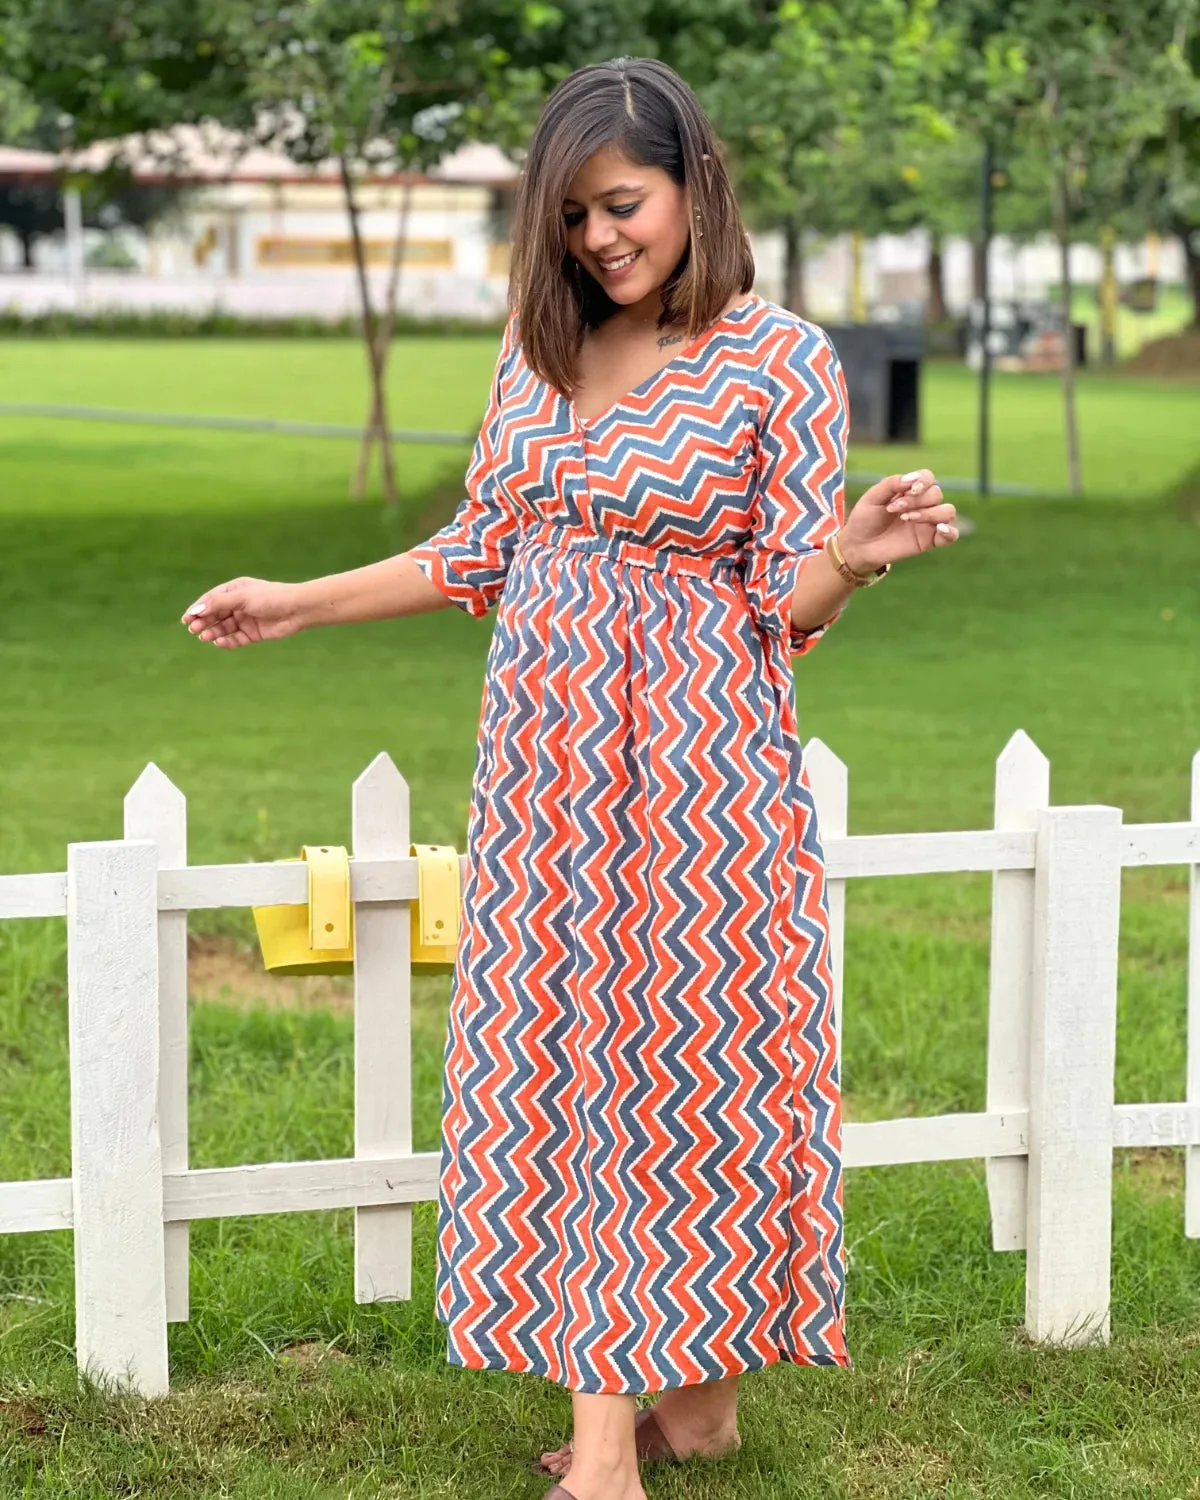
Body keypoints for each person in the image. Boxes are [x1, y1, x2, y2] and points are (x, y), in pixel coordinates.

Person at [182, 55, 957, 1500]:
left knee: (680, 1075)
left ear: (694, 186)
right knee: (570, 1072)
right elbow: (474, 551)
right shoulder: (534, 351)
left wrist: (848, 558)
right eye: (573, 217)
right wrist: (293, 599)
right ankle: (689, 1411)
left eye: (624, 205)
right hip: (545, 778)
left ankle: (608, 1457)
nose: (600, 239)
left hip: (699, 771)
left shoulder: (775, 358)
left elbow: (777, 602)